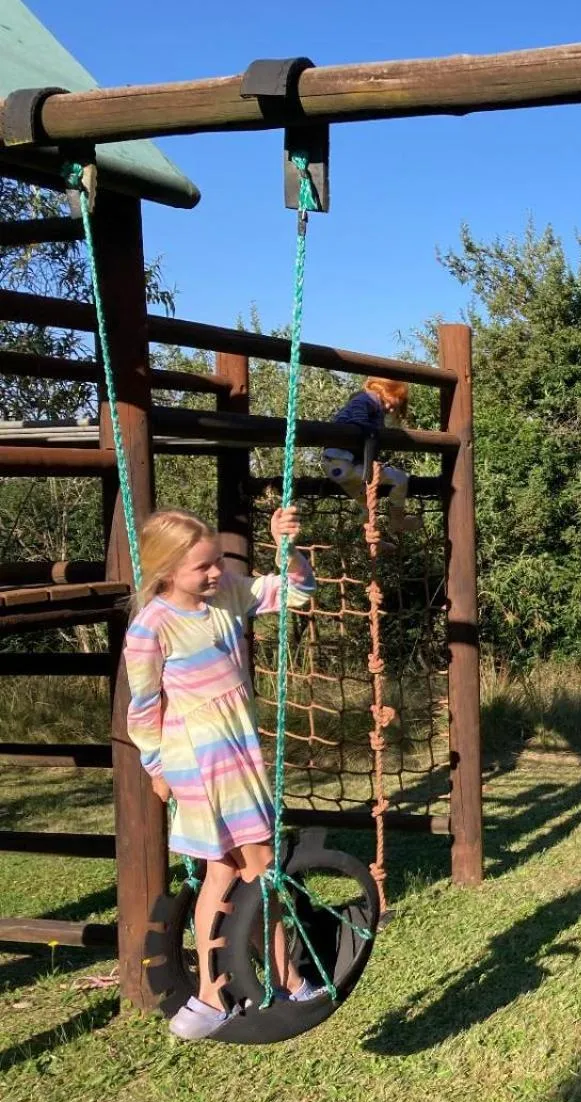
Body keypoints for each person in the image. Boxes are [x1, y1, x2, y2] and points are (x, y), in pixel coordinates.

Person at [124, 507, 322, 1039]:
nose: (214, 574)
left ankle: (223, 990)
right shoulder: (152, 626)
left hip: (237, 752)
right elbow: (143, 707)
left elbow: (299, 593)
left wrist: (287, 549)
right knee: (258, 870)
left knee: (226, 872)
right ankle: (267, 982)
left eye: (215, 563)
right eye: (201, 569)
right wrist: (155, 765)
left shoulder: (229, 594)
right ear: (166, 570)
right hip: (199, 759)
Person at [321, 377, 421, 535]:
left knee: (367, 506)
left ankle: (373, 539)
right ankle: (397, 520)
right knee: (400, 479)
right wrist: (366, 427)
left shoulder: (370, 403)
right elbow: (358, 412)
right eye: (395, 403)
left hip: (335, 465)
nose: (390, 409)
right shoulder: (369, 398)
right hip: (344, 463)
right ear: (389, 390)